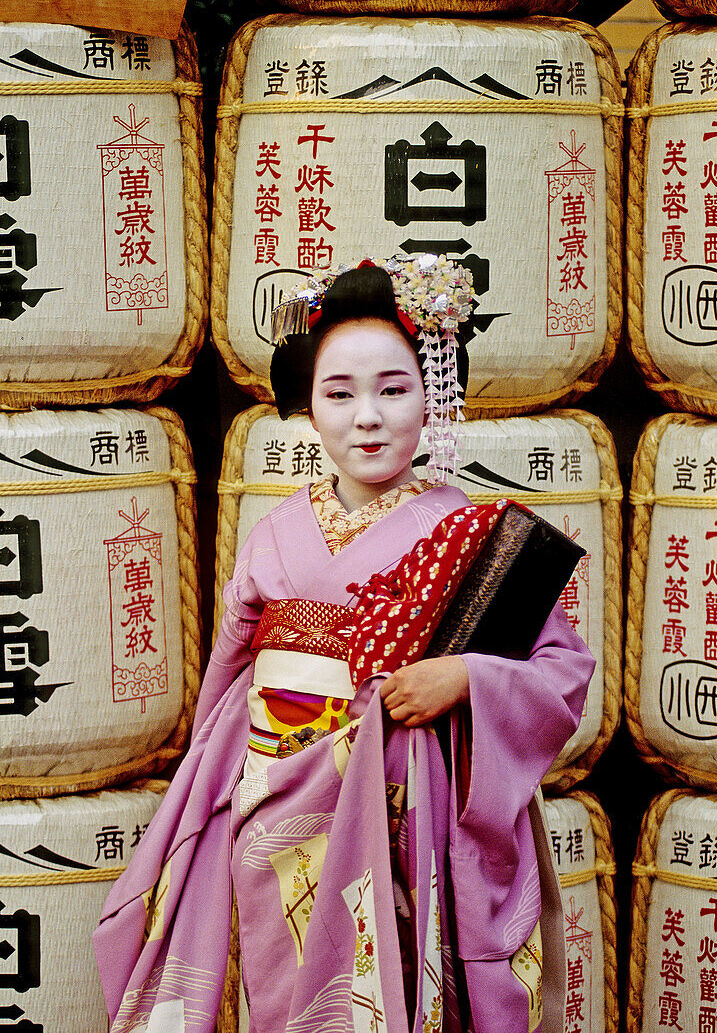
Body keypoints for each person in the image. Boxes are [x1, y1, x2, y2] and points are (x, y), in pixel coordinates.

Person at [94, 254, 595, 1033]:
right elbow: (228, 685)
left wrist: (463, 675)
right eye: (340, 393)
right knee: (291, 1002)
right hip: (277, 817)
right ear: (308, 404)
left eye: (393, 390)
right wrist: (222, 791)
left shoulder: (475, 536)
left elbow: (562, 672)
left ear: (430, 395)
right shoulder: (272, 536)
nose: (368, 416)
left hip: (407, 817)